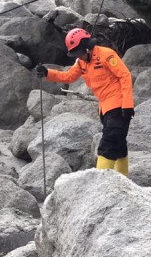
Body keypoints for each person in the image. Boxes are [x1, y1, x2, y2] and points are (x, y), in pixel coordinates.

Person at [35, 29, 134, 175]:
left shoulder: (106, 55)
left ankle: (99, 183)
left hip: (119, 108)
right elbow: (69, 76)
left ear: (88, 47)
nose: (79, 56)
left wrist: (127, 105)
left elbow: (125, 76)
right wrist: (48, 72)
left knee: (107, 146)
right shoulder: (81, 62)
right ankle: (124, 181)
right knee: (119, 147)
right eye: (76, 54)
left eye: (80, 52)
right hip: (105, 109)